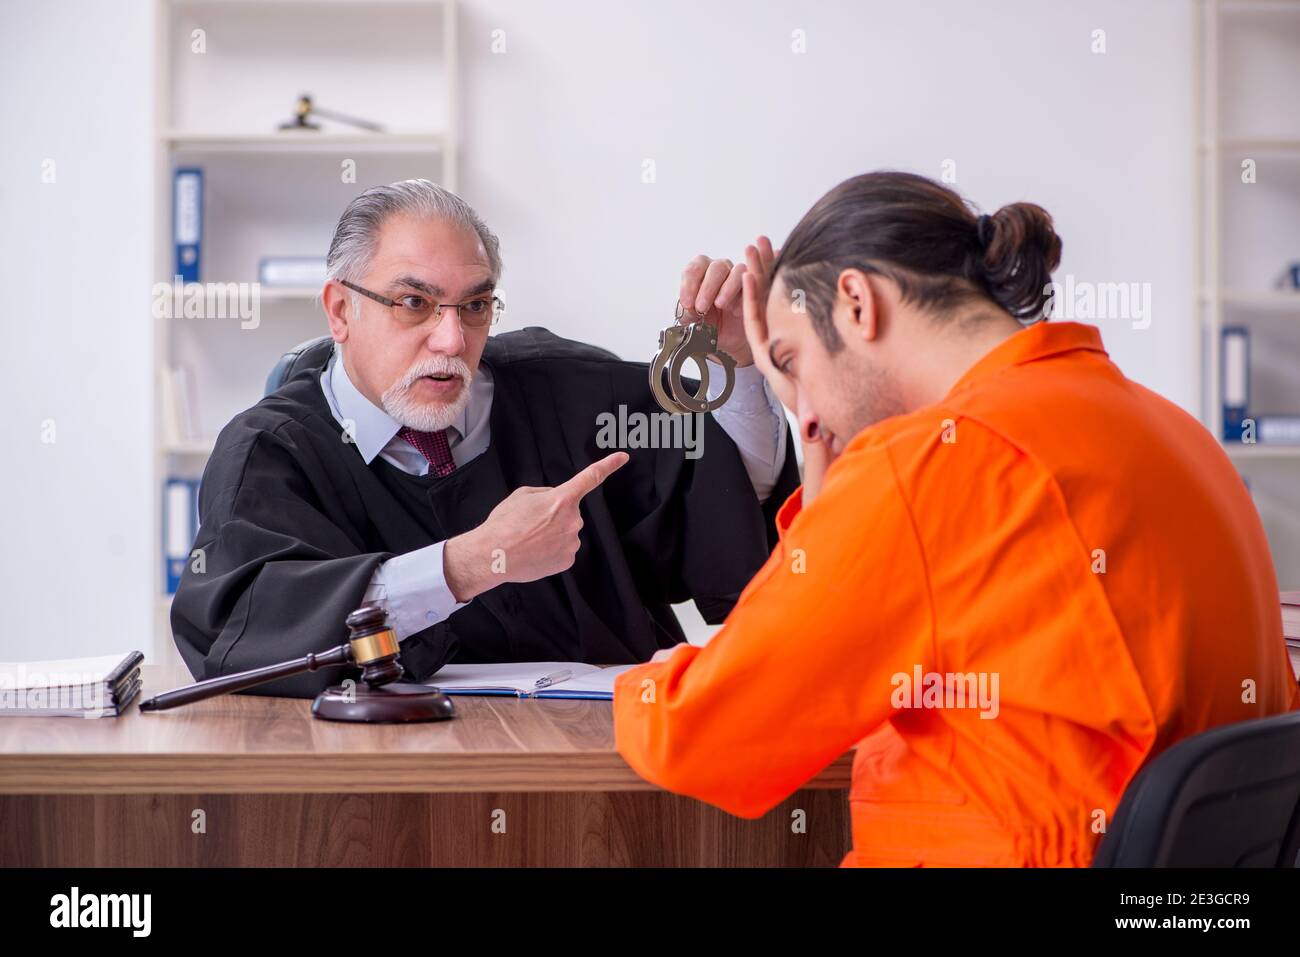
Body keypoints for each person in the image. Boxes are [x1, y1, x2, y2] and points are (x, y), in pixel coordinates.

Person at [612, 170, 1300, 867]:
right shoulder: (1170, 429)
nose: (807, 409)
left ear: (857, 302)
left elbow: (698, 737)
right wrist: (811, 430)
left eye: (790, 361)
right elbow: (827, 632)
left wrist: (644, 679)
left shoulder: (935, 464)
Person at [171, 179, 796, 697]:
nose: (452, 341)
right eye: (414, 302)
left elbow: (730, 507)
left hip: (608, 766)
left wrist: (741, 365)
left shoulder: (579, 394)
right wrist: (468, 565)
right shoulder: (271, 453)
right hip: (387, 783)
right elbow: (239, 632)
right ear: (340, 311)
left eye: (475, 307)